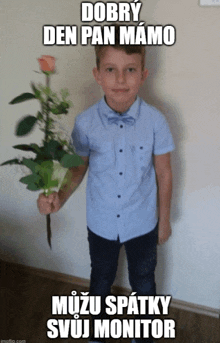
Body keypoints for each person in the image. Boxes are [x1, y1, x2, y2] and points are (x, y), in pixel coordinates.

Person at [37, 25, 175, 343]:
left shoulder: (156, 121)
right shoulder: (84, 123)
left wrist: (164, 221)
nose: (120, 79)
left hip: (143, 223)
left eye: (130, 70)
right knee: (100, 281)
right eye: (111, 69)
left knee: (144, 282)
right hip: (100, 223)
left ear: (143, 74)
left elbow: (164, 173)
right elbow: (78, 169)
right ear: (97, 74)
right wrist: (58, 196)